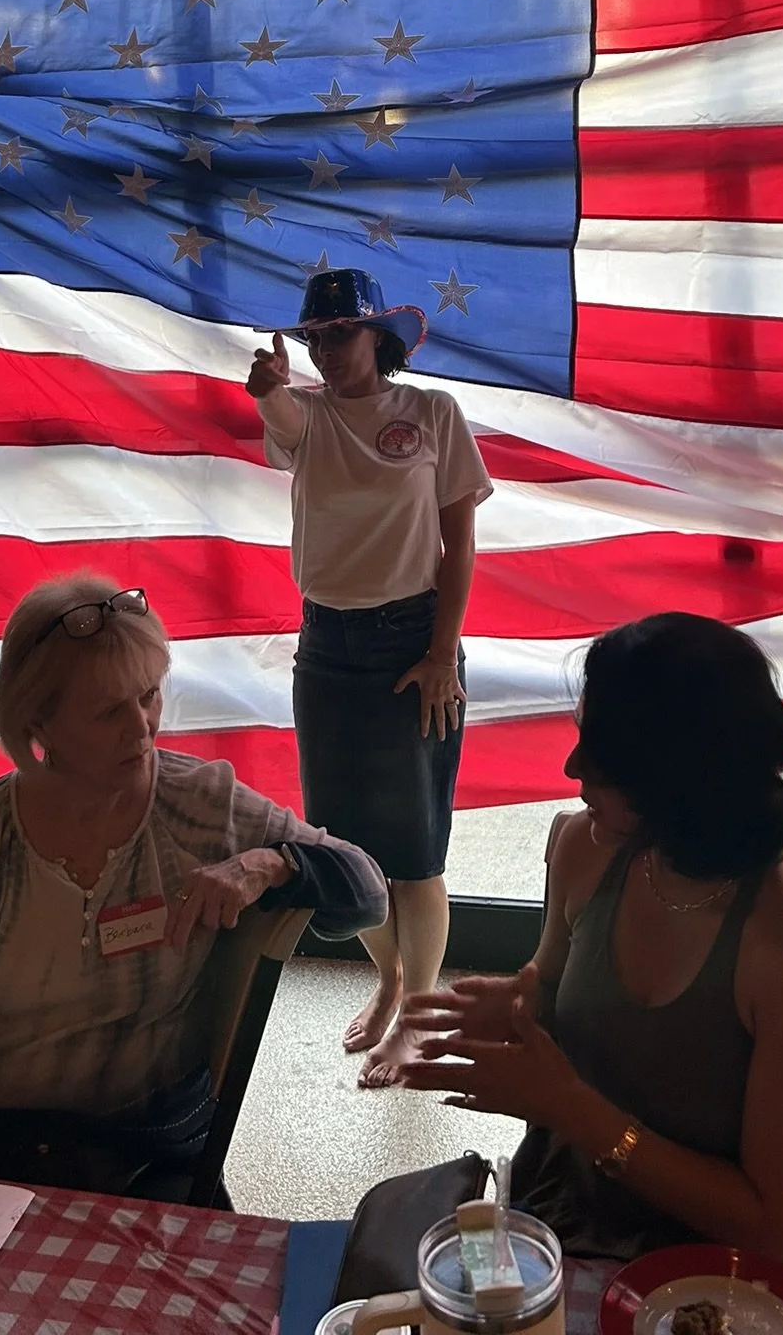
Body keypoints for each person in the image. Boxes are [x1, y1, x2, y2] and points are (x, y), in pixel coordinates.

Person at [0, 572, 386, 1241]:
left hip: (136, 1148)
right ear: (38, 721)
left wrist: (266, 863)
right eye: (108, 712)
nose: (142, 728)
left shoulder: (200, 806)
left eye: (149, 696)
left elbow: (366, 890)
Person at [400, 612, 783, 1289]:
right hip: (576, 1218)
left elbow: (776, 1229)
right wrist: (522, 1007)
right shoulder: (585, 849)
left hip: (738, 1278)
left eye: (601, 755)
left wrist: (574, 1113)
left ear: (679, 780)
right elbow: (553, 981)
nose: (571, 768)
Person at [247, 267, 493, 1088]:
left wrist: (439, 655)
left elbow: (459, 545)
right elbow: (280, 415)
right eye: (314, 338)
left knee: (416, 851)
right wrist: (269, 387)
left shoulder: (430, 413)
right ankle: (388, 980)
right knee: (345, 845)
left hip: (411, 642)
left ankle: (419, 1017)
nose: (327, 350)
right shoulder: (306, 418)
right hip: (327, 645)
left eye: (341, 334)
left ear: (377, 336)